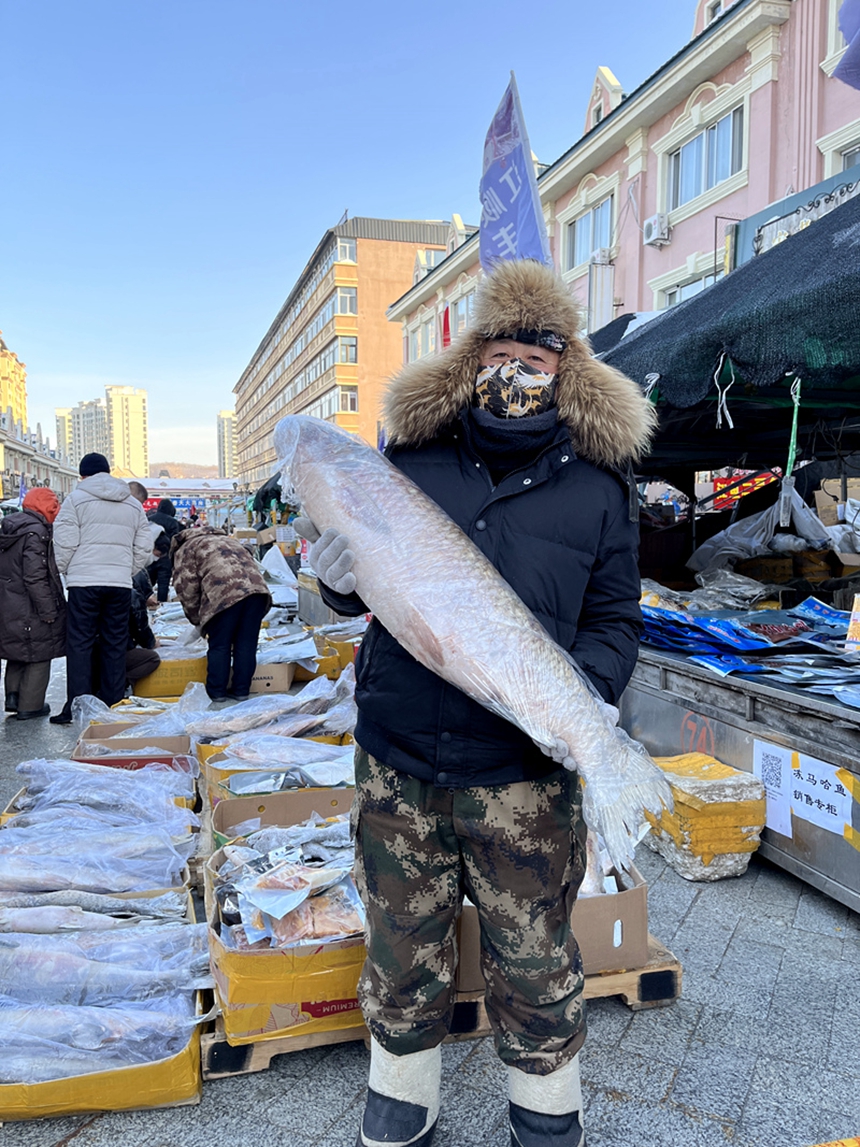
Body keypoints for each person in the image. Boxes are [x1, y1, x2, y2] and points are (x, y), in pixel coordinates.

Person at [296, 259, 656, 1147]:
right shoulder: (409, 459)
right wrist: (337, 585)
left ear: (566, 364)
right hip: (400, 755)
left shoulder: (599, 489)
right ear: (470, 359)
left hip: (525, 773)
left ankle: (545, 1113)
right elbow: (372, 585)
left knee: (534, 952)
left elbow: (615, 618)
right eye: (500, 352)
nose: (516, 371)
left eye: (536, 357)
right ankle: (401, 1095)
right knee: (401, 935)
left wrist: (585, 699)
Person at [50, 452, 153, 723]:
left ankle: (78, 706)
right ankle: (113, 702)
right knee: (115, 642)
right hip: (118, 584)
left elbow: (64, 543)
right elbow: (144, 545)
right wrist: (125, 570)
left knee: (80, 644)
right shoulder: (132, 504)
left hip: (84, 583)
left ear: (83, 475)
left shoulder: (75, 500)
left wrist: (68, 570)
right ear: (108, 472)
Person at [171, 527, 271, 701]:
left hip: (225, 595)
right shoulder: (229, 540)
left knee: (220, 645)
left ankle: (217, 692)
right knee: (246, 643)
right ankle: (241, 691)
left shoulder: (187, 548)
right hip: (258, 593)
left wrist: (196, 619)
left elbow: (187, 588)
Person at [0, 488, 66, 720]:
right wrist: (48, 609)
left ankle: (13, 697)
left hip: (9, 601)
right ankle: (30, 704)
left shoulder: (11, 527)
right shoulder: (36, 532)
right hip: (29, 603)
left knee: (17, 650)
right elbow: (35, 575)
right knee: (39, 651)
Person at [146, 498, 183, 602]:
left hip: (150, 554)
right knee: (163, 583)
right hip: (165, 557)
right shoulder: (173, 522)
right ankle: (161, 605)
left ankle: (146, 602)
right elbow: (175, 540)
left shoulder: (149, 519)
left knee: (148, 582)